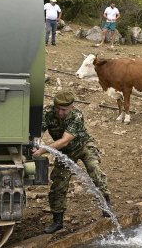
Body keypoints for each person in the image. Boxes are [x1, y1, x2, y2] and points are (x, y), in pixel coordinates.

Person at [33, 91, 112, 234]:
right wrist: (36, 142)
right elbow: (38, 131)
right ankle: (58, 221)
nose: (60, 112)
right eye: (57, 108)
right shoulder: (48, 112)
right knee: (58, 184)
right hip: (65, 152)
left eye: (64, 109)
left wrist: (41, 151)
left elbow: (65, 140)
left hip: (83, 147)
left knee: (95, 172)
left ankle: (106, 206)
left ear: (71, 107)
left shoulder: (76, 116)